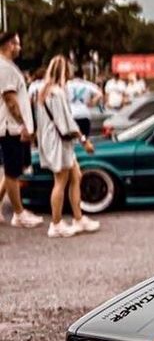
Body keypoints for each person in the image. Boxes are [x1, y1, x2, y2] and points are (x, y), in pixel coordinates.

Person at [36, 55, 100, 238]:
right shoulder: (56, 93)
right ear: (64, 72)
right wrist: (83, 140)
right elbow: (66, 122)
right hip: (60, 143)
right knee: (61, 181)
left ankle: (78, 218)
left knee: (75, 176)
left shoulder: (45, 91)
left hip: (54, 140)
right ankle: (56, 224)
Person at [0, 31, 43, 228]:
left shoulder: (8, 67)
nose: (20, 47)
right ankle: (18, 213)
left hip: (14, 127)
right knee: (12, 172)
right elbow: (10, 100)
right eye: (17, 44)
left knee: (13, 170)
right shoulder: (5, 68)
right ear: (9, 45)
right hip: (11, 128)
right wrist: (23, 124)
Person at [66, 69, 103, 139]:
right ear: (83, 76)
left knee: (72, 138)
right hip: (84, 114)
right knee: (84, 138)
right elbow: (100, 94)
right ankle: (83, 143)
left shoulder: (68, 84)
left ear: (73, 76)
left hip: (72, 115)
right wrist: (93, 101)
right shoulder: (87, 84)